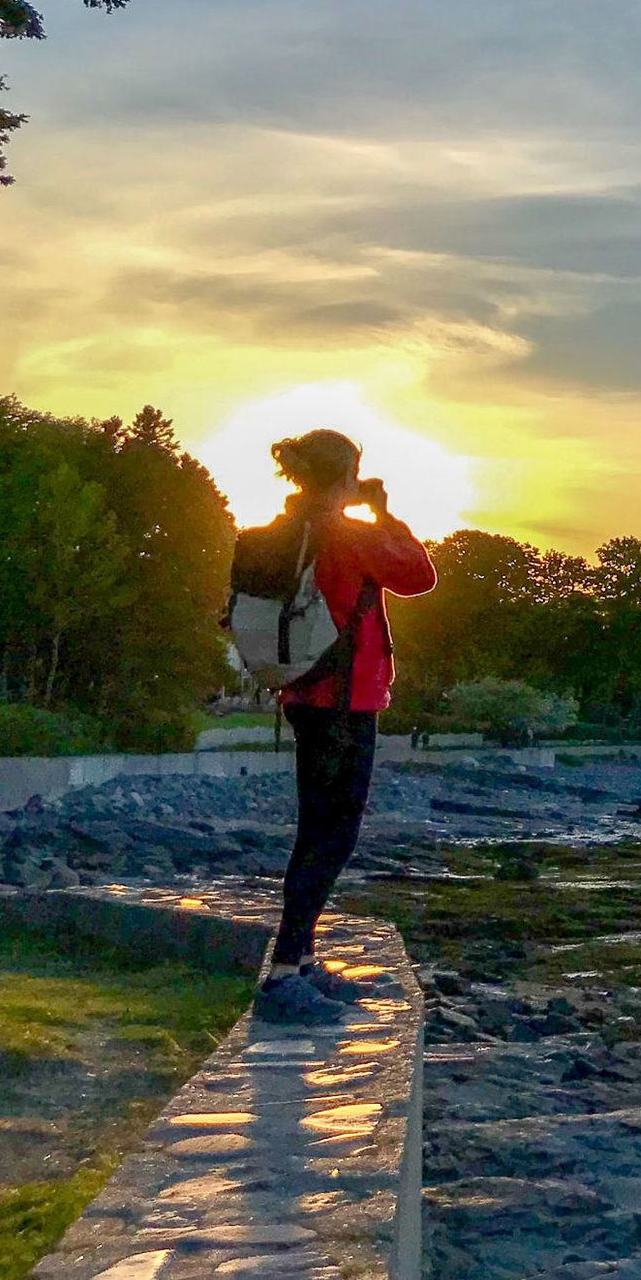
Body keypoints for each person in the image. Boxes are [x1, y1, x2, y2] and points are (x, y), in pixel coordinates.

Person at [252, 428, 437, 1025]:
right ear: (344, 476)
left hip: (305, 694)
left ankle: (301, 961)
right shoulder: (348, 537)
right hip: (343, 702)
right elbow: (417, 575)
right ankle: (285, 973)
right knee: (331, 835)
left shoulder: (285, 533)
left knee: (318, 828)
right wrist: (385, 517)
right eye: (354, 472)